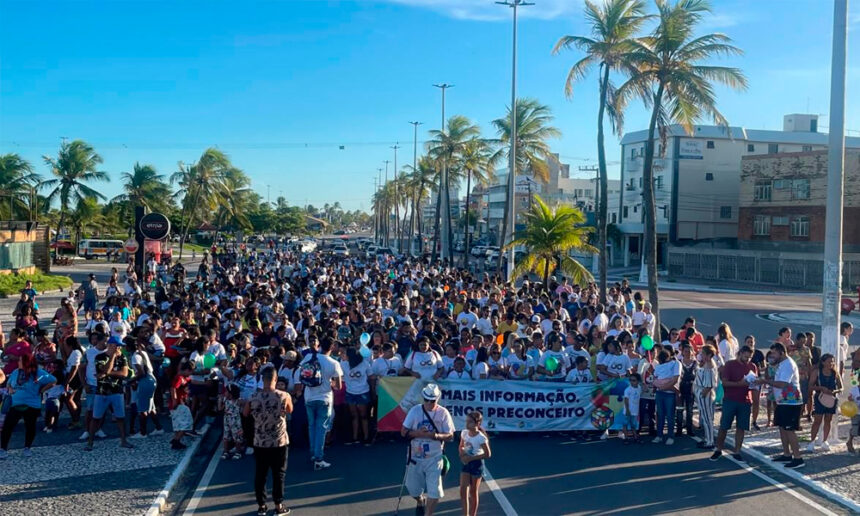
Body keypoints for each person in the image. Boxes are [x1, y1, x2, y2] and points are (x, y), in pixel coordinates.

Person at [244, 365, 292, 516]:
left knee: (261, 473)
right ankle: (278, 505)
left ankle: (261, 505)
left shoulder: (253, 397)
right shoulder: (284, 395)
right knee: (279, 474)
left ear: (261, 380)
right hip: (279, 440)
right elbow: (290, 410)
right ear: (275, 379)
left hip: (260, 440)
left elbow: (245, 413)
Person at [401, 383, 454, 516]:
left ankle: (428, 514)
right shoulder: (415, 410)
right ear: (423, 398)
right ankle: (420, 500)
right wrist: (418, 433)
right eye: (427, 400)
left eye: (432, 401)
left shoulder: (443, 413)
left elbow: (450, 435)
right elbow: (404, 432)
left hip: (434, 458)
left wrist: (435, 436)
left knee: (434, 492)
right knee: (413, 489)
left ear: (437, 399)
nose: (429, 403)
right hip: (415, 457)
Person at [297, 337, 343, 470]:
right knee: (321, 428)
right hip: (324, 398)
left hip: (309, 397)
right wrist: (331, 383)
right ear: (332, 347)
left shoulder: (309, 357)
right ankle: (319, 457)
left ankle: (313, 453)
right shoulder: (334, 363)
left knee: (312, 426)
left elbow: (302, 374)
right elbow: (338, 386)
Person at [758, 342, 805, 469]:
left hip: (791, 401)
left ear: (781, 353)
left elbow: (783, 384)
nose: (772, 356)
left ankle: (798, 458)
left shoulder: (788, 364)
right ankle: (786, 454)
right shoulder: (781, 364)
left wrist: (765, 381)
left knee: (789, 429)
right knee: (782, 427)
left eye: (774, 353)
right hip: (782, 401)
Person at [0, 354, 56, 459]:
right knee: (8, 426)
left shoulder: (38, 373)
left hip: (32, 404)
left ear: (27, 362)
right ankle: (3, 449)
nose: (18, 362)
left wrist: (42, 390)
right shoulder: (16, 372)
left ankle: (27, 448)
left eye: (20, 360)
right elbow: (9, 383)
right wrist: (10, 389)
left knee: (30, 426)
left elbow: (53, 380)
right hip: (15, 403)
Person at [86, 336, 134, 451]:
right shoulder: (100, 357)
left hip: (117, 390)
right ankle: (90, 442)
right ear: (111, 345)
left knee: (120, 417)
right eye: (117, 346)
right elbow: (104, 370)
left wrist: (106, 374)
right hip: (102, 392)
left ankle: (123, 440)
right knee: (96, 418)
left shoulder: (122, 357)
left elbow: (124, 373)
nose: (119, 348)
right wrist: (112, 358)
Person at [711, 345, 757, 462]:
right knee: (724, 426)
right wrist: (740, 383)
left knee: (741, 427)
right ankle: (718, 449)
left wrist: (754, 384)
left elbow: (755, 383)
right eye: (745, 357)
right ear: (740, 353)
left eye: (749, 358)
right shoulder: (730, 365)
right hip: (730, 399)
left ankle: (737, 451)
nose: (747, 360)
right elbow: (725, 383)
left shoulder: (752, 366)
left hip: (745, 400)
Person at [807, 353, 842, 452]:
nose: (831, 363)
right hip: (819, 398)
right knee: (817, 420)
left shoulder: (835, 373)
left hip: (831, 399)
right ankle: (812, 441)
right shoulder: (817, 372)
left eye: (833, 361)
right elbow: (810, 386)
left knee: (828, 420)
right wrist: (821, 388)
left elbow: (841, 387)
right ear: (823, 362)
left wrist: (834, 391)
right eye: (829, 361)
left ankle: (825, 441)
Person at [459, 410, 490, 516]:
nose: (467, 424)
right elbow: (461, 446)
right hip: (466, 462)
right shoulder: (464, 433)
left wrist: (471, 458)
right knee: (463, 490)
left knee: (473, 491)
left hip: (477, 464)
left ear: (478, 423)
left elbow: (487, 454)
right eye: (466, 421)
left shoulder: (481, 437)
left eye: (470, 422)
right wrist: (462, 454)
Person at [652, 349, 681, 445]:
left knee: (670, 415)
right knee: (660, 415)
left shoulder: (675, 363)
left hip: (669, 393)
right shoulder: (659, 366)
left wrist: (665, 387)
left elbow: (675, 379)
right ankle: (659, 435)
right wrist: (659, 386)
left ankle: (670, 436)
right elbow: (655, 377)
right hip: (660, 393)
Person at [695, 345, 718, 449]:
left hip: (705, 394)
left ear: (709, 355)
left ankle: (710, 441)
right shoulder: (706, 364)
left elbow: (709, 384)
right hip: (703, 392)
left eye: (703, 353)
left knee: (707, 418)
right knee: (706, 417)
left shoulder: (709, 366)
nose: (701, 355)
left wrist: (702, 395)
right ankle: (708, 438)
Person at [623, 373, 642, 443]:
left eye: (634, 380)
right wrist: (627, 410)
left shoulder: (639, 387)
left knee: (633, 425)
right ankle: (626, 438)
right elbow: (626, 400)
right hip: (628, 411)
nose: (632, 382)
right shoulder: (627, 390)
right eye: (630, 380)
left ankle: (635, 437)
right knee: (625, 424)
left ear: (638, 381)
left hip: (635, 410)